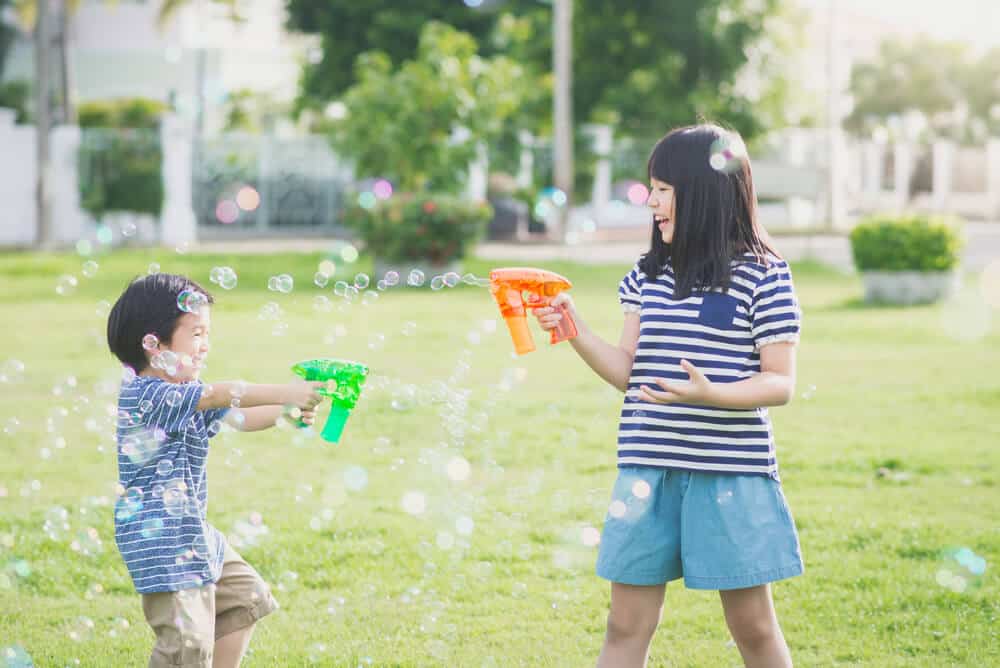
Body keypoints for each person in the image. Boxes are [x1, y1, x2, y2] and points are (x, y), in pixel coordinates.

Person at [532, 124, 804, 668]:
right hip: (646, 472)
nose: (651, 201)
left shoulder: (764, 276)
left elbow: (780, 381)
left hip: (730, 474)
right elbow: (627, 372)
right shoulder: (647, 275)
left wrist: (711, 393)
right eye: (650, 188)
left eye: (663, 188)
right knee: (624, 623)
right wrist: (575, 331)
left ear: (704, 191)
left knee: (752, 626)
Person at [106, 273, 324, 667]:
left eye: (208, 334)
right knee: (186, 649)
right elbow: (219, 394)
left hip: (191, 531)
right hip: (162, 542)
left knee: (246, 598)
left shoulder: (187, 394)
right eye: (196, 333)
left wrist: (288, 412)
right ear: (154, 344)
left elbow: (237, 415)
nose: (206, 345)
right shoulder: (148, 394)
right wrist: (286, 392)